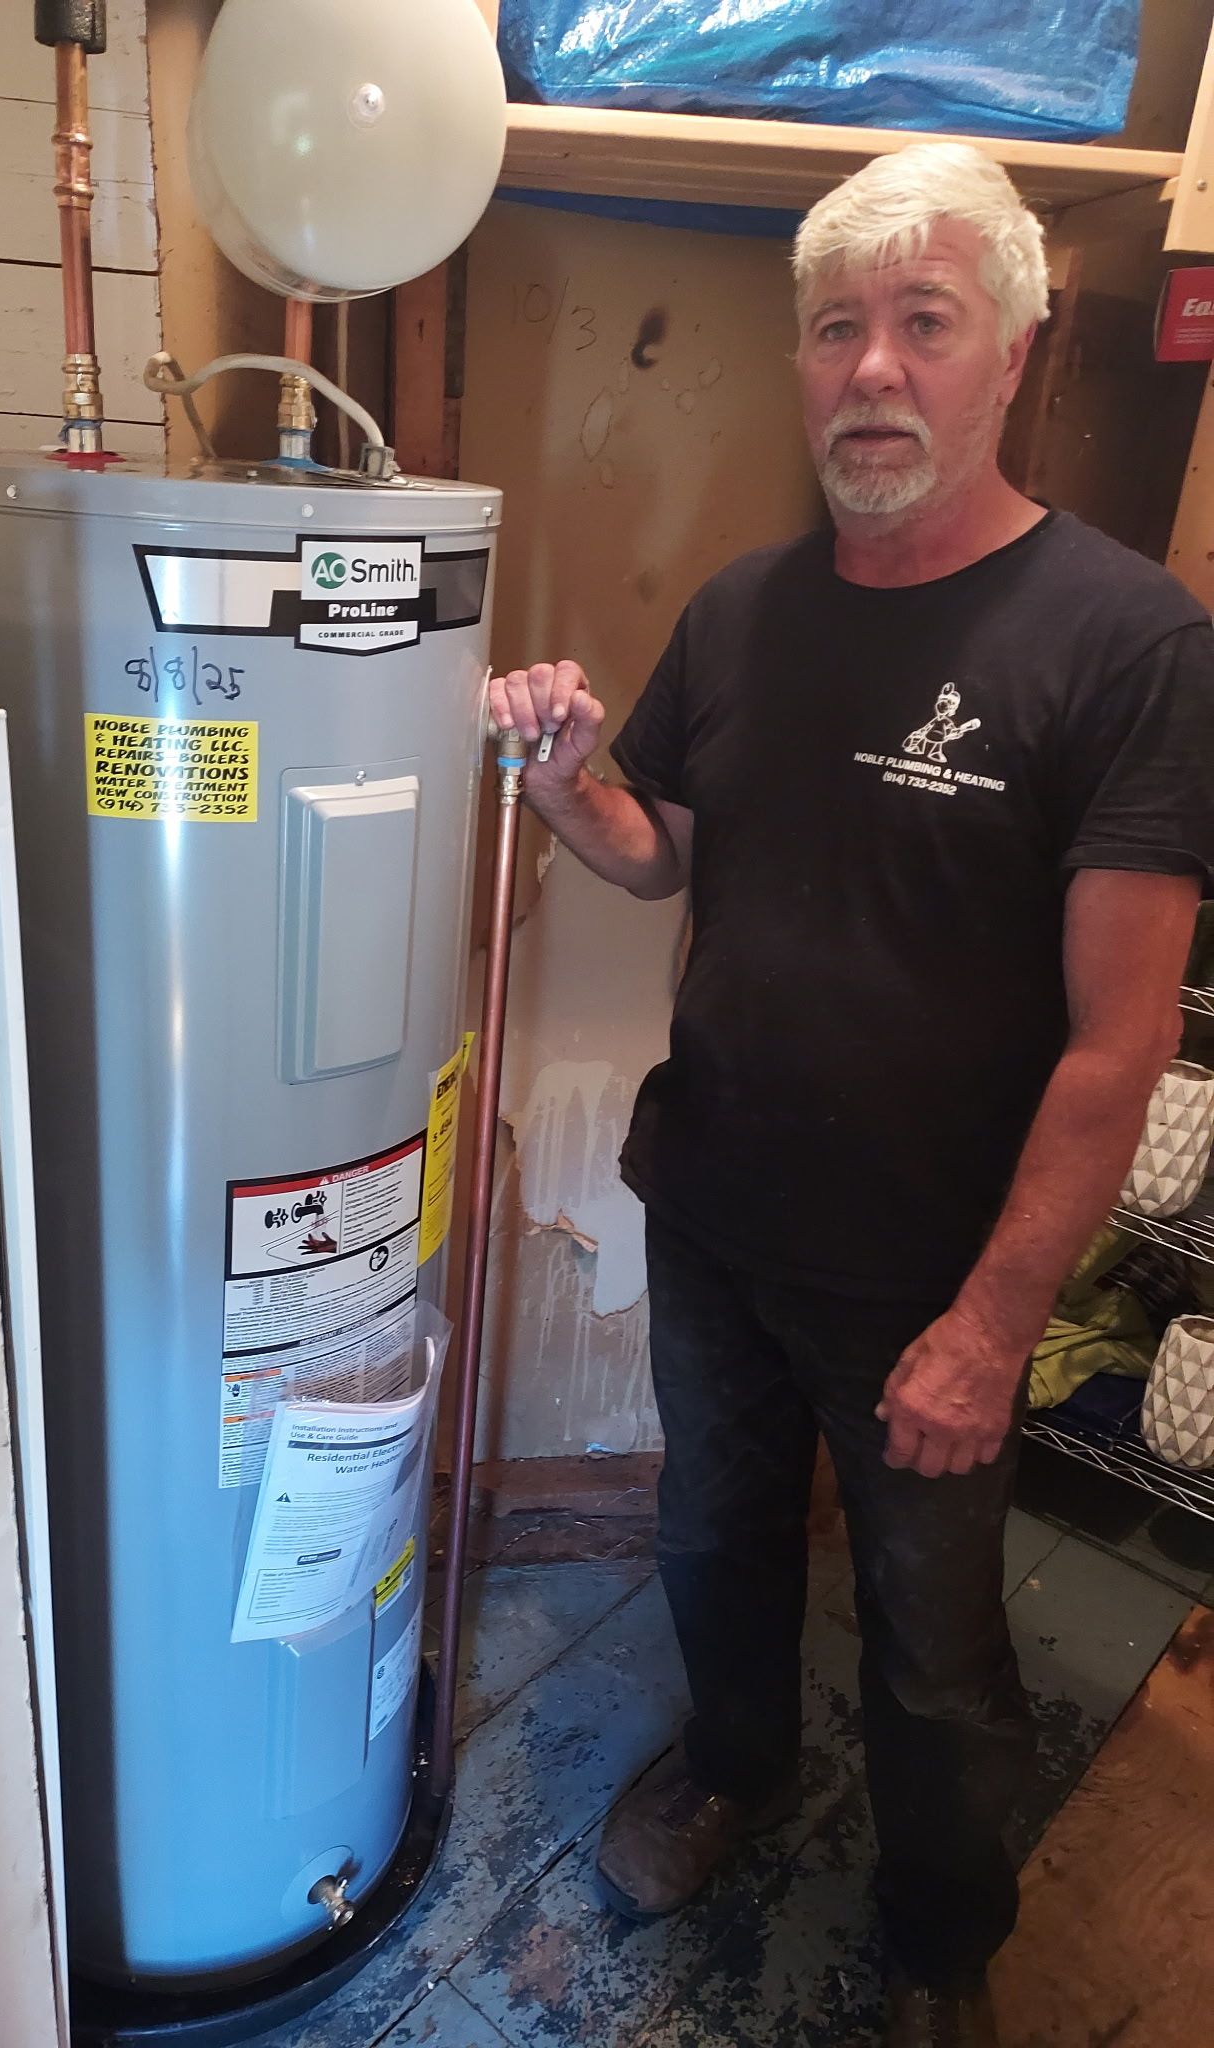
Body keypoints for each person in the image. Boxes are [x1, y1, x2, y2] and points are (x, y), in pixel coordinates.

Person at [487, 141, 1214, 2048]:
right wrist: (573, 779)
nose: (871, 370)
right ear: (801, 362)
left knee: (939, 1651)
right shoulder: (743, 612)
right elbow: (663, 860)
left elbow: (1115, 1043)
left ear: (1009, 358)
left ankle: (938, 1945)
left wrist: (995, 1325)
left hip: (930, 1273)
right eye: (835, 330)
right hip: (715, 1202)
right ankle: (736, 1767)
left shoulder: (1131, 645)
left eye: (921, 323)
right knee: (712, 1537)